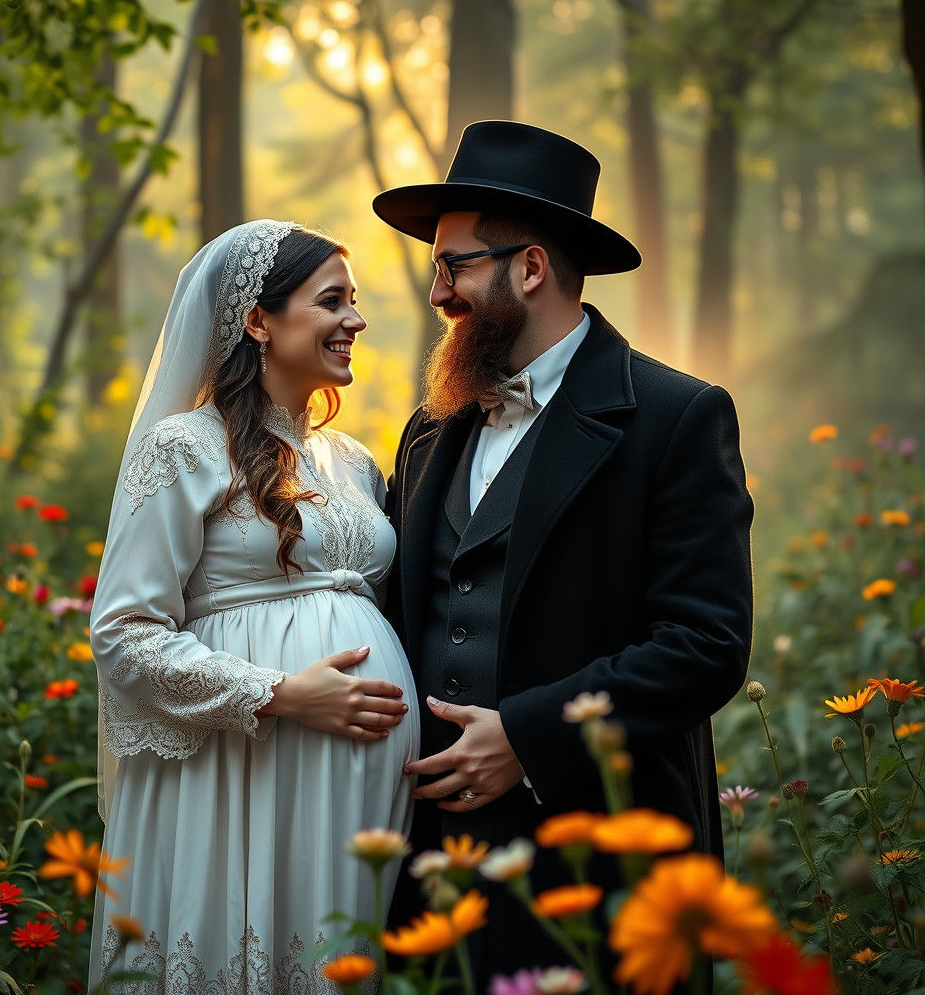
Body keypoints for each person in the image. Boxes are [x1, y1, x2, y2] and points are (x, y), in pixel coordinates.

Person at [374, 121, 754, 985]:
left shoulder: (675, 417)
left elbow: (706, 646)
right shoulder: (429, 428)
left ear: (531, 268)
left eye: (453, 265)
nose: (436, 291)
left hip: (597, 873)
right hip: (434, 876)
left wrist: (527, 736)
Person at [87, 220, 419, 992]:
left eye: (356, 302)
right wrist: (280, 693)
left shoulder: (356, 463)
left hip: (352, 801)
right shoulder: (183, 448)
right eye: (332, 301)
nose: (356, 322)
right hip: (233, 775)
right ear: (258, 320)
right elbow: (124, 632)